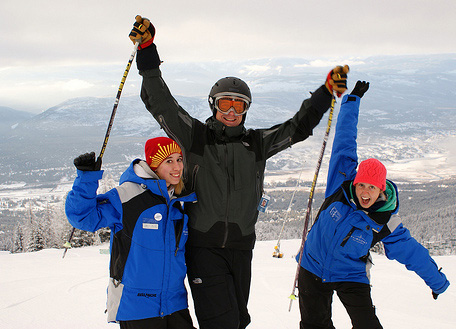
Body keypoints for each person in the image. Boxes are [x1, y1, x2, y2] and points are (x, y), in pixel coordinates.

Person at [129, 15, 349, 329]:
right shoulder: (196, 138)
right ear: (212, 106)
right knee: (222, 322)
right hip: (204, 247)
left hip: (242, 247)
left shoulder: (256, 144)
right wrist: (147, 51)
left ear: (246, 109)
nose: (231, 112)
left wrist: (325, 93)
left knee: (238, 319)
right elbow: (162, 103)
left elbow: (296, 127)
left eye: (239, 105)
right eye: (224, 104)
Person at [297, 81, 450, 329]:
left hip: (350, 274)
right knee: (314, 325)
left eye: (371, 187)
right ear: (354, 183)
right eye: (361, 185)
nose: (364, 192)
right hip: (312, 265)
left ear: (380, 189)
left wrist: (437, 282)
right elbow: (345, 140)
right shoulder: (340, 186)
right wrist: (352, 101)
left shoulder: (385, 222)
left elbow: (413, 253)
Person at [65, 137, 197, 329]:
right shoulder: (128, 195)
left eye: (179, 159)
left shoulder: (179, 200)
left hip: (175, 305)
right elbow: (83, 217)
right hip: (137, 308)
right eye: (169, 161)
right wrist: (86, 179)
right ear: (154, 165)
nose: (177, 167)